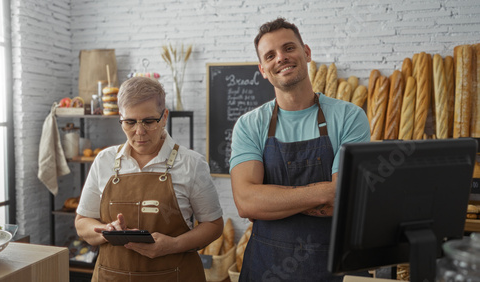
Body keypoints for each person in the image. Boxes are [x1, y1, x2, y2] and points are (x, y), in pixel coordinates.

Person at [230, 18, 371, 281]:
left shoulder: (349, 117)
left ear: (306, 53)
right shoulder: (250, 125)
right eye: (270, 55)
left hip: (332, 267)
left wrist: (272, 200)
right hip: (265, 268)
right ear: (263, 69)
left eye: (288, 48)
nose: (281, 58)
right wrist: (324, 191)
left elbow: (347, 198)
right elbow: (247, 203)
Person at [75, 77, 223, 281]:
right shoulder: (104, 160)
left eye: (149, 121)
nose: (139, 131)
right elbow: (82, 222)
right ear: (121, 118)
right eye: (130, 122)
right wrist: (107, 231)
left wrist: (174, 245)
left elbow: (214, 225)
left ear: (164, 117)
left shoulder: (191, 164)